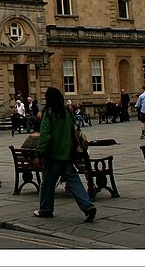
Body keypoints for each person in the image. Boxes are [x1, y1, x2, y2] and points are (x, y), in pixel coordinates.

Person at [32, 87, 97, 222]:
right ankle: (87, 206)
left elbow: (45, 135)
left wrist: (38, 154)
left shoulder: (49, 113)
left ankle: (45, 210)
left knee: (48, 183)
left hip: (53, 154)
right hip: (67, 153)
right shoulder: (67, 112)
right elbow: (73, 131)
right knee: (74, 181)